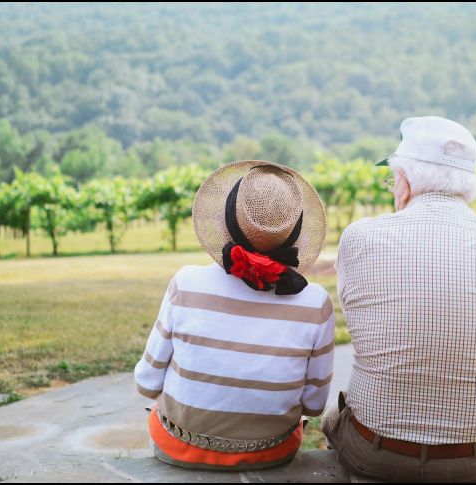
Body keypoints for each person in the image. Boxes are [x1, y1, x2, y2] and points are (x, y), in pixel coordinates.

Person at [323, 116, 476, 482]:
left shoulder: (360, 238)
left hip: (374, 452)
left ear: (404, 181)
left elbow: (359, 318)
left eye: (393, 179)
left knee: (333, 419)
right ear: (469, 186)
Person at [134, 160, 335, 471]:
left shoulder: (186, 283)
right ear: (294, 233)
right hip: (272, 451)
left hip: (178, 446)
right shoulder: (315, 302)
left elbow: (146, 382)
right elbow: (314, 405)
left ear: (226, 222)